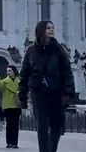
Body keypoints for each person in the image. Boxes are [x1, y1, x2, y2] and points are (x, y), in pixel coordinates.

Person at [19, 20, 76, 152]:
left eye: (52, 28)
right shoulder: (31, 51)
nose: (51, 30)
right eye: (48, 28)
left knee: (56, 125)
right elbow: (24, 74)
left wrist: (68, 93)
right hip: (38, 92)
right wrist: (22, 95)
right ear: (40, 30)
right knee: (42, 125)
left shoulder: (59, 49)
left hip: (56, 92)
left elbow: (67, 72)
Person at [0, 65, 22, 149]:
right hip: (8, 105)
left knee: (16, 125)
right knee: (9, 124)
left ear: (14, 71)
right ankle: (9, 142)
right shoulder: (5, 81)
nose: (8, 72)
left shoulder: (20, 80)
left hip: (17, 104)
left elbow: (24, 88)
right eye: (7, 71)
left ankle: (15, 143)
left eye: (9, 70)